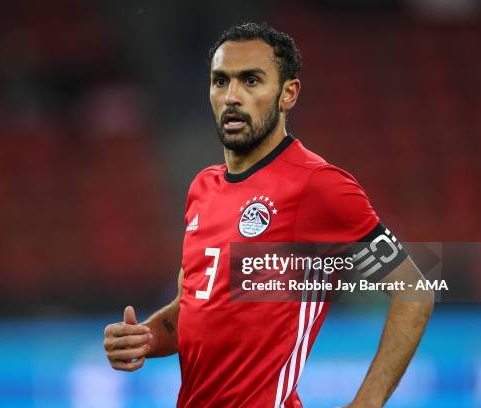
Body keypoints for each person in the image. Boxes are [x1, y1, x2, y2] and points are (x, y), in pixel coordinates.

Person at [103, 22, 434, 408]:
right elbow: (195, 308)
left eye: (251, 81)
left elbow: (414, 290)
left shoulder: (318, 186)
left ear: (287, 94)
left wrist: (367, 402)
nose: (232, 96)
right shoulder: (202, 189)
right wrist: (143, 338)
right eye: (220, 81)